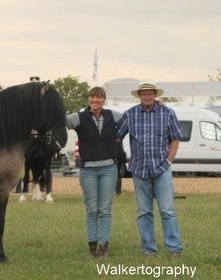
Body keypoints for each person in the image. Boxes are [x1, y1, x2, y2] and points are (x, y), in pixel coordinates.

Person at [116, 79, 183, 259]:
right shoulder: (129, 115)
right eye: (143, 94)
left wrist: (168, 162)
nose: (147, 96)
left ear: (155, 95)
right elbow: (116, 136)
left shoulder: (167, 113)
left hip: (162, 169)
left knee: (167, 210)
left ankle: (174, 249)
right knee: (144, 212)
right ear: (139, 96)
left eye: (150, 93)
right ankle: (148, 250)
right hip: (139, 171)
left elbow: (176, 139)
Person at [66, 87, 122, 258]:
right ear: (88, 99)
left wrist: (159, 105)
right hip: (88, 170)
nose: (95, 100)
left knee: (104, 210)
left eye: (99, 97)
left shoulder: (114, 116)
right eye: (92, 97)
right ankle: (92, 248)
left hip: (109, 169)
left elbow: (133, 116)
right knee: (91, 209)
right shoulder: (79, 117)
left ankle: (103, 247)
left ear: (104, 99)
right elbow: (59, 120)